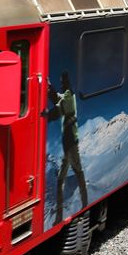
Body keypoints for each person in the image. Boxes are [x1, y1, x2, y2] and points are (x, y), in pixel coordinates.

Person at [46, 71, 89, 223]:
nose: (62, 85)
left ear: (67, 84)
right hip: (68, 144)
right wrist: (49, 87)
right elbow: (57, 98)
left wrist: (45, 115)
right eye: (62, 83)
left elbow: (58, 110)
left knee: (73, 174)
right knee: (71, 175)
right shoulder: (66, 96)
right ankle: (63, 213)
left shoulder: (70, 97)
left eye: (63, 83)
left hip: (71, 144)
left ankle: (84, 203)